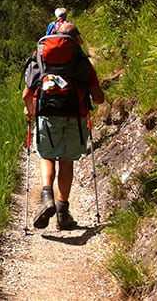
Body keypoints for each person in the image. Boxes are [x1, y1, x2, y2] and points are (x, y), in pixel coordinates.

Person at [22, 22, 104, 230]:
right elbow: (98, 98)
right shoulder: (81, 61)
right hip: (75, 117)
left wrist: (30, 109)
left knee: (47, 156)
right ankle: (62, 212)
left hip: (47, 115)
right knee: (66, 162)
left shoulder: (40, 57)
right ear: (75, 39)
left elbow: (26, 95)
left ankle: (46, 195)